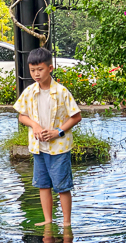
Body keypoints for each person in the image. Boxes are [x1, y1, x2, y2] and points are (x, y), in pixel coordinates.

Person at [13, 47, 82, 226]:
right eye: (32, 70)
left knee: (62, 186)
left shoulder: (61, 92)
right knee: (43, 184)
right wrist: (34, 125)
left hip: (58, 147)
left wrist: (57, 131)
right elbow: (22, 115)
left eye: (40, 69)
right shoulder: (29, 91)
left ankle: (67, 222)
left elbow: (76, 116)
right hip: (38, 147)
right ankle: (48, 220)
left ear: (50, 68)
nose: (36, 74)